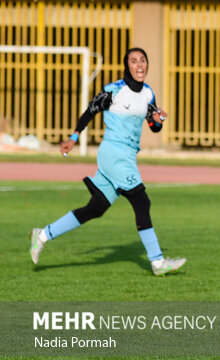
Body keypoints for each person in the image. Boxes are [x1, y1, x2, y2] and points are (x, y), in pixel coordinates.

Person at [29, 48, 186, 276]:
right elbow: (90, 110)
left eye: (143, 60)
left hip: (127, 156)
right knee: (142, 202)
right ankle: (157, 261)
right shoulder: (114, 90)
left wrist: (158, 119)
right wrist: (73, 137)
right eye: (134, 61)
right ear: (126, 66)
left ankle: (42, 235)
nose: (139, 65)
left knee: (96, 208)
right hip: (114, 154)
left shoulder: (148, 94)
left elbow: (154, 126)